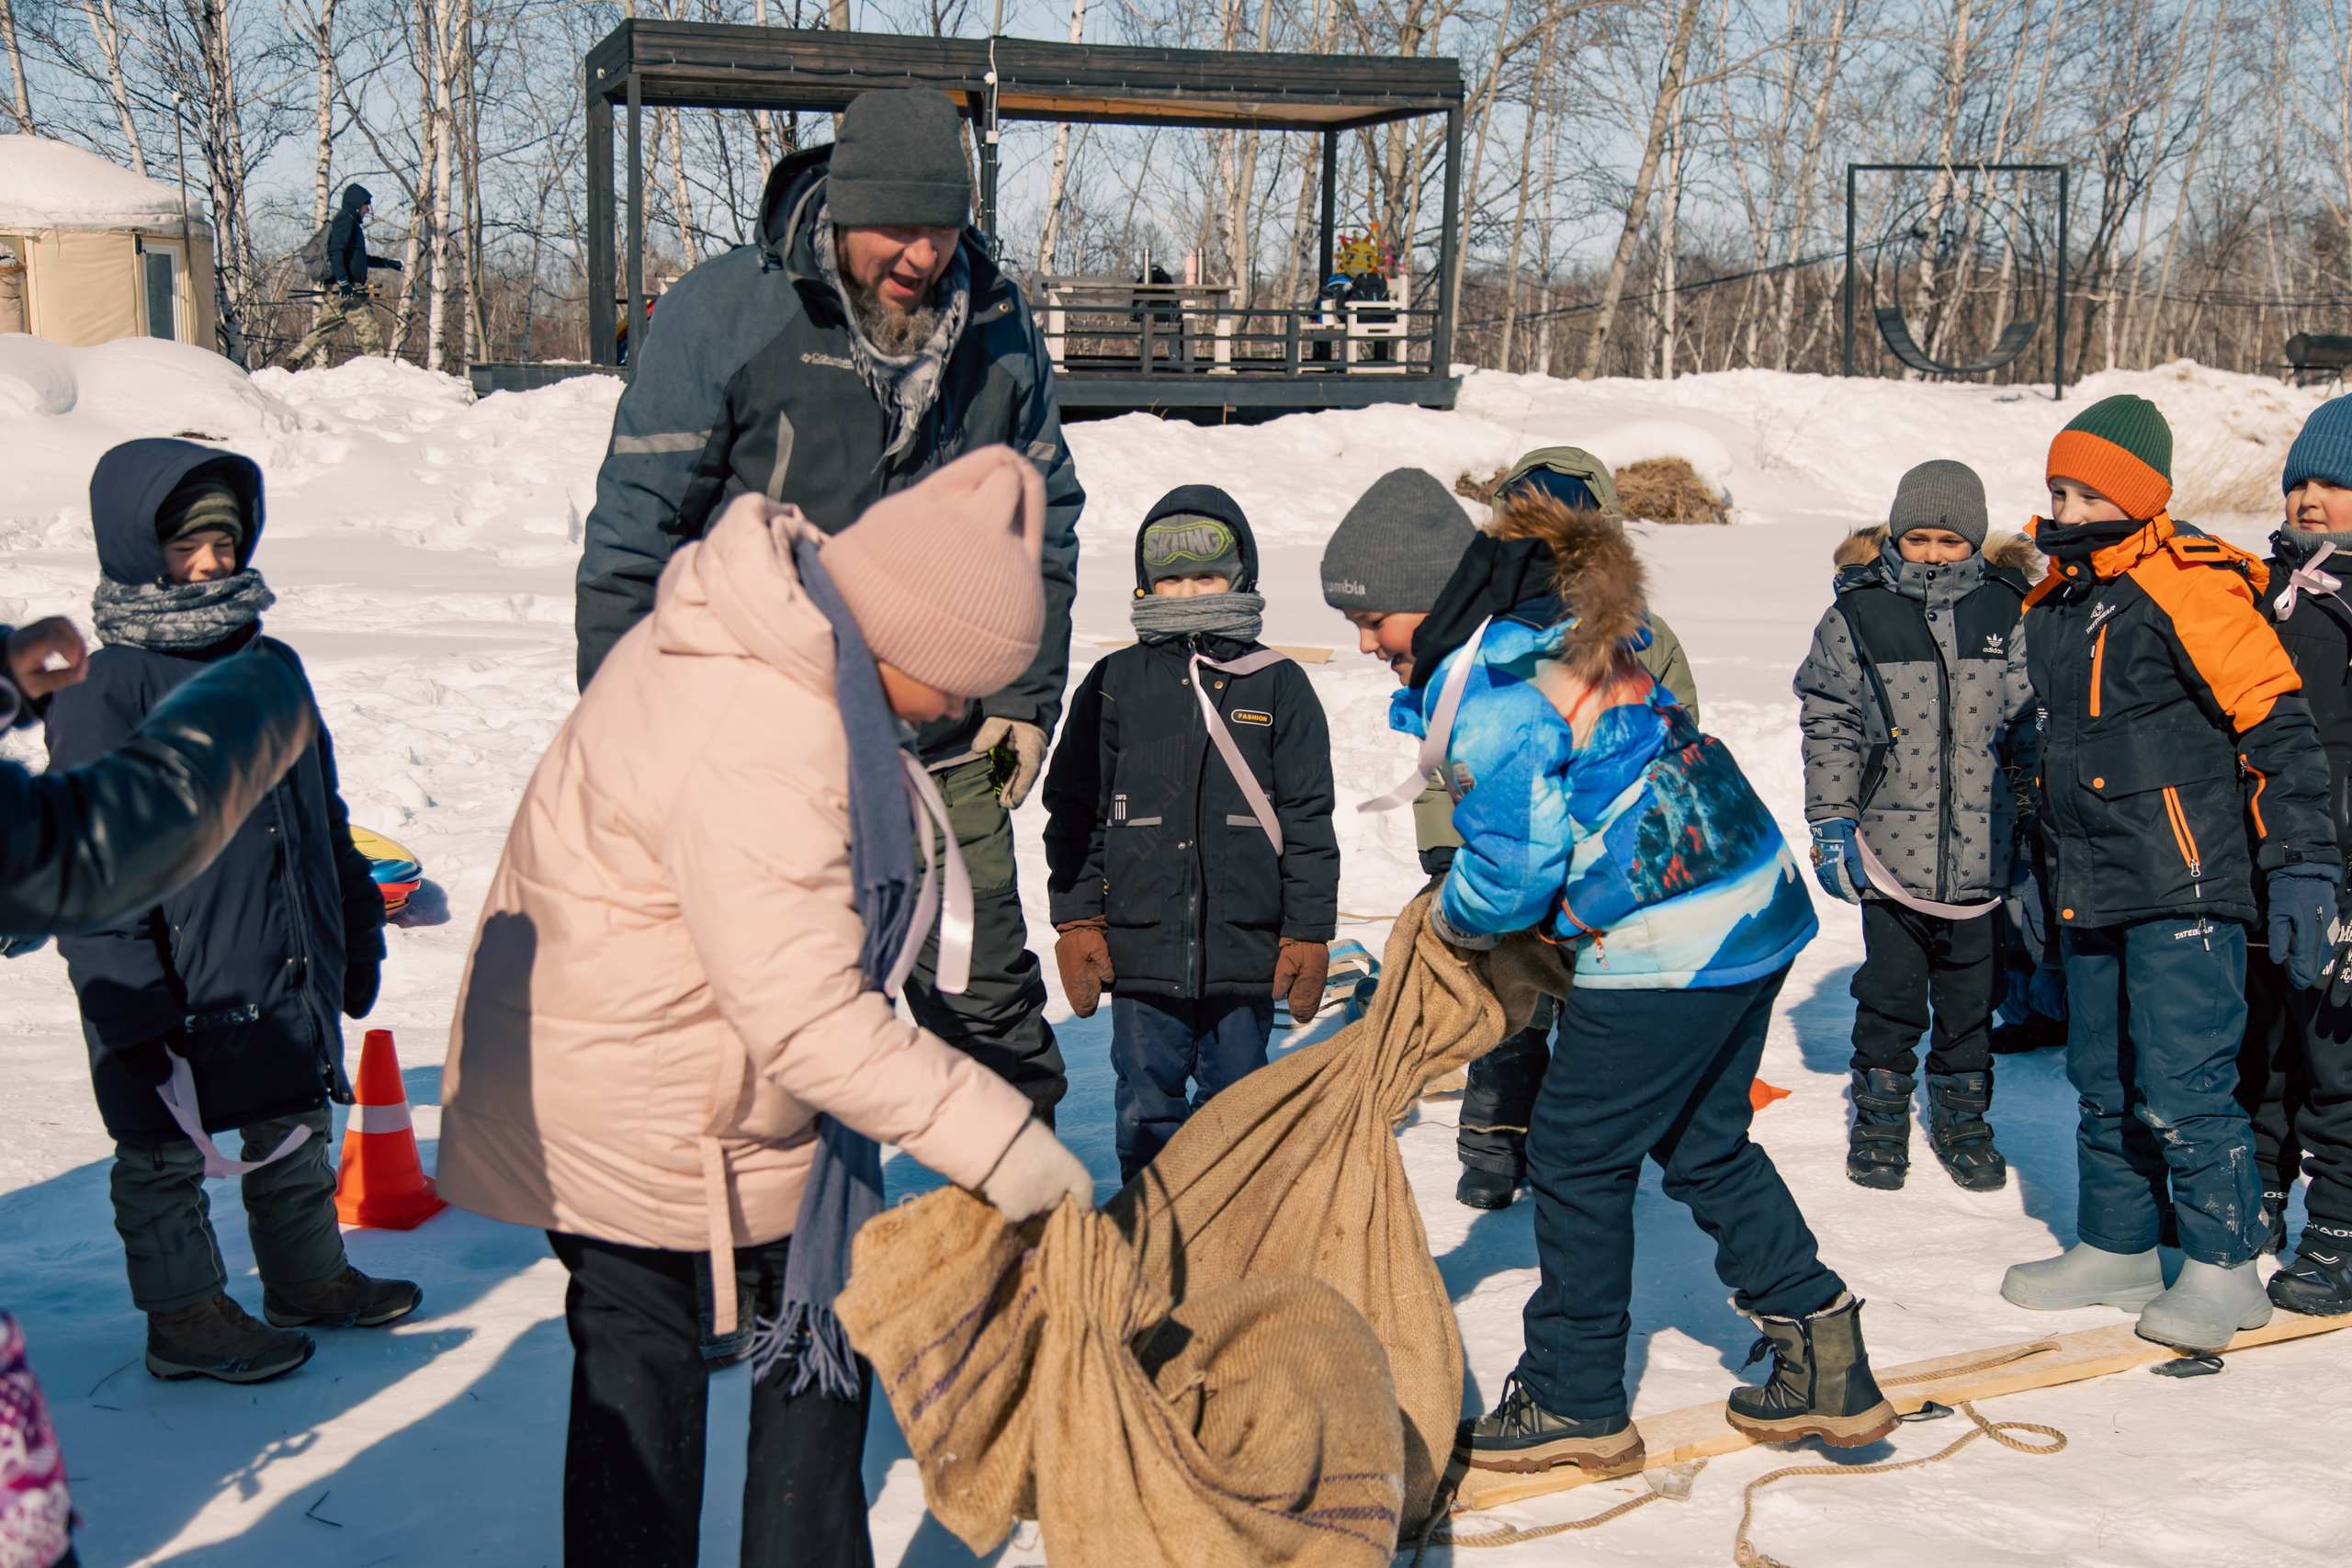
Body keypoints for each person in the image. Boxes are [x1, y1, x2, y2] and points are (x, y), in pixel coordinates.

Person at [437, 449, 1096, 1568]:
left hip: (692, 1066)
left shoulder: (784, 642)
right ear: (907, 643)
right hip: (636, 1098)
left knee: (818, 1345)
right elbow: (806, 1017)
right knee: (644, 1397)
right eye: (959, 682)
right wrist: (1003, 1144)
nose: (963, 709)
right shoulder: (763, 726)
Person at [574, 86, 1081, 1128]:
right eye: (896, 227)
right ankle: (776, 1266)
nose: (921, 254)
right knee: (768, 1022)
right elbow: (637, 536)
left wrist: (1025, 701)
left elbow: (1042, 518)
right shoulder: (729, 312)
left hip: (945, 740)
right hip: (762, 743)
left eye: (942, 228)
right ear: (841, 212)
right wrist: (631, 739)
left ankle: (1018, 1254)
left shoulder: (995, 319)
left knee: (984, 1000)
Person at [1407, 487, 1889, 1476]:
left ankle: (1575, 1397)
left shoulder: (1496, 694)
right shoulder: (1559, 644)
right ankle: (1823, 1351)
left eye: (1372, 619)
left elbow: (1514, 871)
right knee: (1705, 1142)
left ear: (1431, 601)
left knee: (1576, 1159)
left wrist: (1448, 920)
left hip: (1667, 939)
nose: (1369, 643)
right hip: (1753, 907)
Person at [46, 440, 413, 1387]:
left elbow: (319, 809)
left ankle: (306, 1279)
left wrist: (355, 918)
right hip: (169, 972)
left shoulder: (267, 660)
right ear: (137, 548)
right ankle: (184, 1320)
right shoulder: (104, 688)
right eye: (184, 546)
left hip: (279, 954)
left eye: (223, 540)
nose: (209, 563)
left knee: (293, 1125)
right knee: (164, 1152)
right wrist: (125, 995)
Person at [1999, 395, 2338, 1354]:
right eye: (2054, 488)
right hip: (2089, 877)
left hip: (2184, 879)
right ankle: (2118, 1243)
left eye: (2076, 490)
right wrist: (2031, 865)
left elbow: (2278, 733)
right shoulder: (2057, 599)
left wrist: (2303, 863)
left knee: (2185, 1080)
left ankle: (2224, 1269)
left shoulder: (2192, 585)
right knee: (2099, 1071)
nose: (2057, 506)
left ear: (2131, 494)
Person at [1319, 458, 1703, 1211]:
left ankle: (1581, 1147)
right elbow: (1453, 759)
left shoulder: (1639, 635)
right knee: (1503, 1008)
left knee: (1584, 1011)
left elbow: (1670, 736)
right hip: (1503, 851)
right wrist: (1444, 844)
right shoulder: (1480, 643)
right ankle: (1492, 1137)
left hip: (1591, 877)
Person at [1043, 486, 1339, 1182]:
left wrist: (1306, 930)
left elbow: (1307, 817)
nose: (1187, 592)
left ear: (1241, 577)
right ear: (1147, 583)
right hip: (1142, 945)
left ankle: (1228, 1242)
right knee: (1146, 1100)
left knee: (1238, 1102)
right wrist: (1079, 917)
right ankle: (1152, 1233)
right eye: (1171, 578)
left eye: (1205, 576)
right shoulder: (1115, 682)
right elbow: (1074, 808)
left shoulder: (1279, 684)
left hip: (1246, 944)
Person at [1795, 462, 2035, 1193]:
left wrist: (2033, 821)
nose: (1933, 552)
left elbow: (2032, 728)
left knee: (1971, 1004)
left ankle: (1964, 1120)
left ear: (1976, 543)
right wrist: (1832, 817)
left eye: (1951, 540)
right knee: (1890, 997)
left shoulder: (2009, 613)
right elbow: (1830, 720)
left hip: (1983, 854)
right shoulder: (1859, 614)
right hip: (1890, 855)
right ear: (1896, 535)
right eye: (1919, 537)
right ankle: (1880, 1120)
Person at [2245, 393, 2352, 1314]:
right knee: (2266, 1040)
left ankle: (2342, 1227)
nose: (2310, 498)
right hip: (2267, 858)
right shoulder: (2260, 592)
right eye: (2300, 482)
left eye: (2334, 483)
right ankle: (2261, 1190)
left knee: (2337, 1055)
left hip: (2345, 868)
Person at [283, 183, 401, 367]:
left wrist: (386, 263)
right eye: (366, 204)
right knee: (368, 330)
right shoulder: (345, 220)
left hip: (343, 287)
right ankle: (378, 370)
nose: (368, 209)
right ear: (356, 204)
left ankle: (294, 360)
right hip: (347, 288)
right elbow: (336, 251)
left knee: (326, 328)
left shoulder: (349, 222)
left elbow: (358, 258)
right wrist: (344, 281)